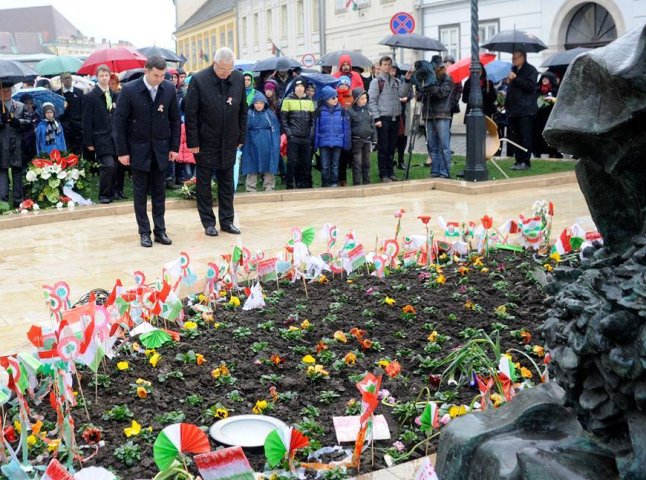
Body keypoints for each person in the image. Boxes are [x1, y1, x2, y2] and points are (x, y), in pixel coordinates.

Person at [113, 55, 181, 248]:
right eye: (156, 75)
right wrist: (122, 151)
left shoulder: (168, 89)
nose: (159, 79)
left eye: (162, 75)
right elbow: (119, 122)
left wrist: (174, 147)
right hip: (138, 150)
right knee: (140, 193)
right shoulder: (129, 90)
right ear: (146, 70)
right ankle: (144, 232)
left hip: (161, 149)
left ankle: (160, 230)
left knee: (159, 192)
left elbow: (175, 120)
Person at [184, 47, 247, 237]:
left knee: (227, 183)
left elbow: (243, 110)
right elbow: (191, 114)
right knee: (204, 184)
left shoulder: (237, 79)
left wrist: (241, 137)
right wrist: (193, 142)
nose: (225, 74)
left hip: (229, 141)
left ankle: (227, 221)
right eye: (222, 70)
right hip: (205, 141)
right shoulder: (199, 80)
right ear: (214, 64)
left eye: (229, 70)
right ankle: (208, 223)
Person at [368, 56, 412, 183]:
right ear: (380, 66)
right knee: (383, 147)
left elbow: (402, 94)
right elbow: (372, 101)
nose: (387, 67)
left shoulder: (396, 81)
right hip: (383, 118)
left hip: (395, 117)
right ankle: (384, 174)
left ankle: (390, 172)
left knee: (392, 147)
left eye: (389, 64)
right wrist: (376, 118)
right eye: (385, 64)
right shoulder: (376, 82)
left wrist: (407, 80)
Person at [82, 64, 117, 204]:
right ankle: (104, 194)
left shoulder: (114, 95)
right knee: (108, 165)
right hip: (100, 137)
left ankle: (113, 192)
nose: (104, 78)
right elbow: (86, 121)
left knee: (115, 166)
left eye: (106, 75)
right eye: (101, 75)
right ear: (97, 77)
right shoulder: (91, 96)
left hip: (114, 137)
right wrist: (89, 142)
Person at [417, 55, 455, 179]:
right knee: (432, 145)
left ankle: (444, 172)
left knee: (444, 146)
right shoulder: (428, 78)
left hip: (442, 114)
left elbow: (441, 93)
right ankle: (435, 171)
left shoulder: (447, 79)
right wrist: (421, 85)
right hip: (428, 114)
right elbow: (419, 96)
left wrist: (431, 84)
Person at [504, 48, 538, 170]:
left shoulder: (531, 70)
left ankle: (526, 161)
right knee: (515, 137)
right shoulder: (513, 70)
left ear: (522, 57)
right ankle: (518, 160)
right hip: (513, 110)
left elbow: (530, 87)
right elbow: (512, 91)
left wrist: (516, 78)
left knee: (525, 136)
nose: (513, 60)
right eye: (512, 58)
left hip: (526, 110)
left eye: (515, 57)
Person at [280, 76, 315, 189]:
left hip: (305, 137)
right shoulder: (287, 100)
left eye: (302, 86)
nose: (300, 88)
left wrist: (310, 135)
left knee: (306, 162)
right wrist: (289, 134)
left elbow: (312, 120)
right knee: (292, 162)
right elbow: (283, 119)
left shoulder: (309, 101)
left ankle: (304, 184)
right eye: (297, 86)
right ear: (294, 88)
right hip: (293, 137)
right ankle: (290, 183)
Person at [242, 92, 280, 192]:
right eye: (257, 103)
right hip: (252, 143)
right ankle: (250, 188)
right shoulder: (249, 114)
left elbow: (275, 130)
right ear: (253, 103)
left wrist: (275, 143)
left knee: (268, 164)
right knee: (251, 165)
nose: (259, 105)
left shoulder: (270, 114)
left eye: (261, 103)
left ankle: (269, 186)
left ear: (264, 104)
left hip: (267, 143)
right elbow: (243, 129)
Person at [314, 86, 351, 188]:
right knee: (325, 165)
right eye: (333, 97)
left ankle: (334, 182)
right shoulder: (319, 111)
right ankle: (325, 183)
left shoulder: (342, 111)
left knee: (335, 165)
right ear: (326, 99)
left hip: (337, 141)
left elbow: (346, 128)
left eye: (336, 97)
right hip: (324, 142)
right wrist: (315, 144)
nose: (336, 99)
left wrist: (346, 142)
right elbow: (316, 128)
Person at [0, 83, 28, 207]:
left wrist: (18, 122)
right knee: (2, 173)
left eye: (8, 90)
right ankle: (3, 203)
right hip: (2, 145)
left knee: (17, 173)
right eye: (4, 91)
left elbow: (28, 122)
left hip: (17, 145)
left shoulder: (20, 106)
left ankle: (19, 202)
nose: (6, 93)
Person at [348, 88, 376, 185]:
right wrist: (348, 142)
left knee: (367, 163)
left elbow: (373, 125)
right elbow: (348, 128)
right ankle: (357, 183)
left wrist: (374, 139)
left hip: (367, 140)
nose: (365, 100)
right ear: (356, 100)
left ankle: (367, 182)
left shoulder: (369, 110)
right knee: (357, 163)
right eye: (362, 98)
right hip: (356, 141)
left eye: (366, 98)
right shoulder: (351, 111)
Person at [54, 72, 84, 154]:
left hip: (78, 126)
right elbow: (56, 112)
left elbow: (83, 109)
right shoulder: (58, 94)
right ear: (61, 80)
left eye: (69, 78)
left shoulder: (79, 92)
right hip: (64, 126)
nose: (67, 80)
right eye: (65, 78)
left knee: (78, 150)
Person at [533, 71, 561, 158]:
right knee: (538, 134)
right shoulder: (537, 90)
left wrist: (552, 100)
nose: (544, 80)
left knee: (550, 134)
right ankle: (537, 151)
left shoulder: (555, 90)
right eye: (543, 78)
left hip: (550, 116)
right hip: (539, 116)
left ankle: (553, 152)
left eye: (546, 78)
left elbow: (559, 101)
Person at [19, 94, 39, 167]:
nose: (29, 105)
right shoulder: (19, 116)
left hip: (35, 147)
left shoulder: (36, 116)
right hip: (23, 148)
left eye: (31, 103)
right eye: (26, 103)